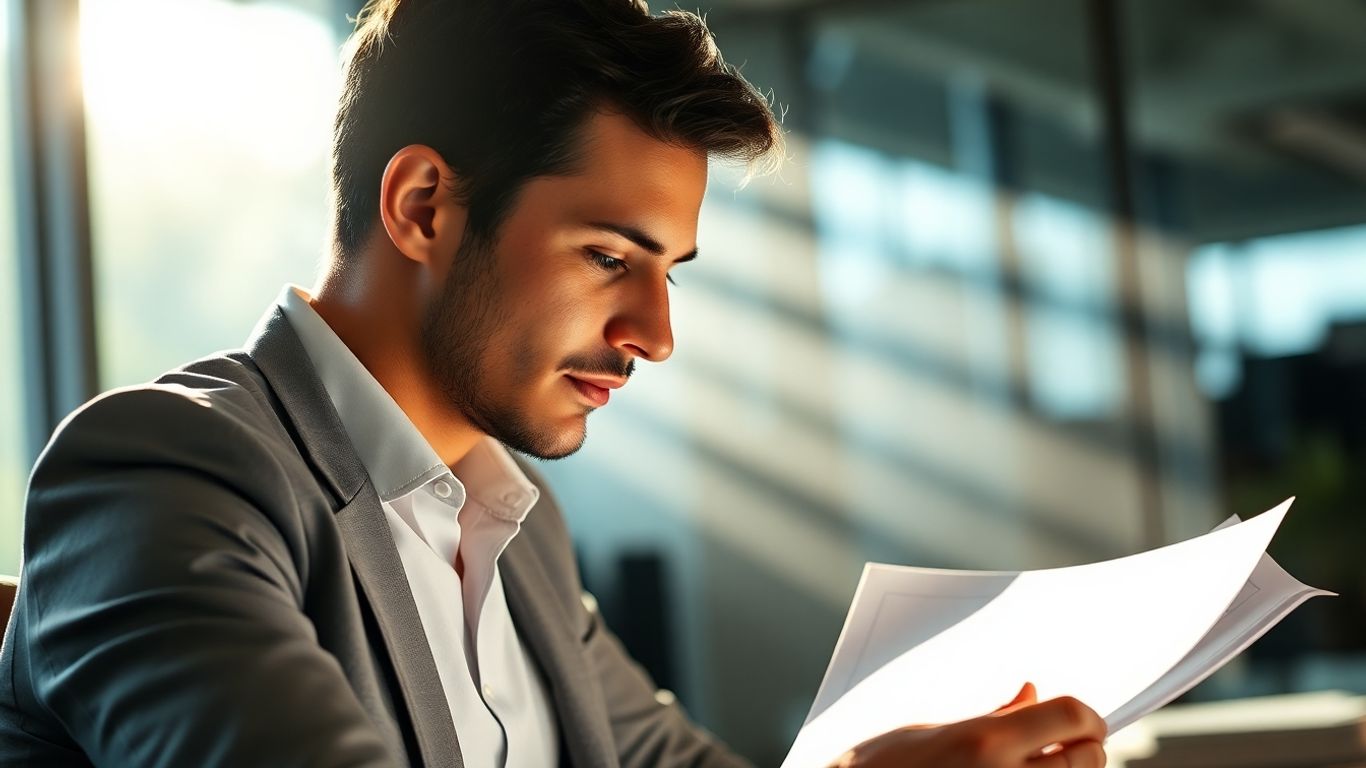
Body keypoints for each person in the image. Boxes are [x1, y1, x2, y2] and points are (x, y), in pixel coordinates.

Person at [0, 0, 1108, 766]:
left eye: (668, 271)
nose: (655, 334)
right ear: (424, 205)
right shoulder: (160, 473)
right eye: (607, 256)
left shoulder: (513, 529)